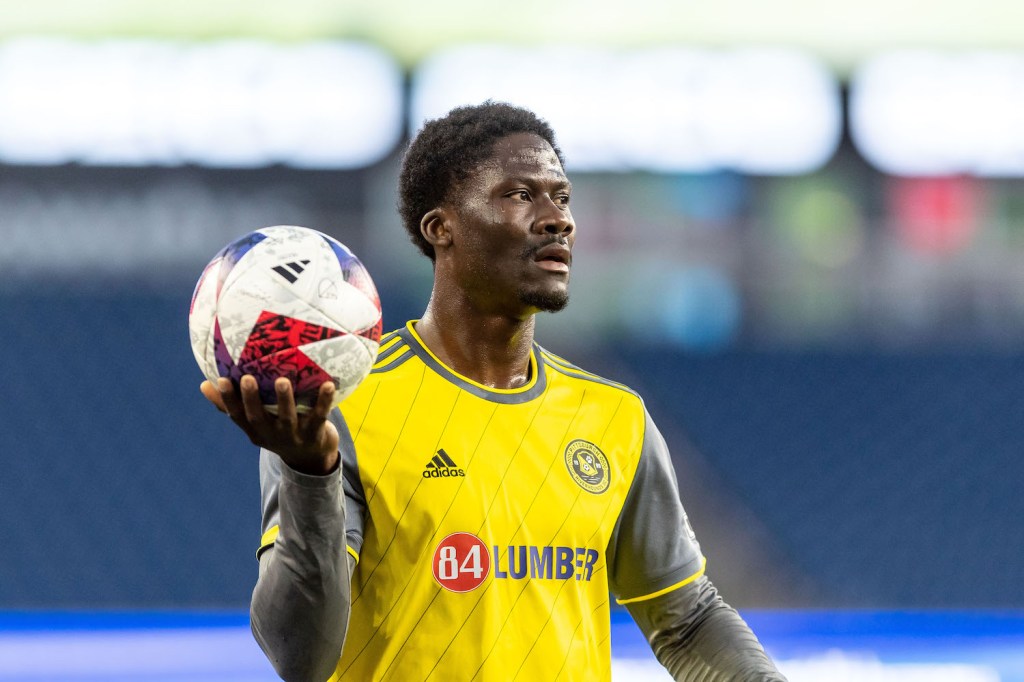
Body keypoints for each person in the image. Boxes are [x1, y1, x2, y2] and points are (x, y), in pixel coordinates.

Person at [201, 101, 787, 681]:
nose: (557, 218)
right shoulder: (346, 406)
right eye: (520, 194)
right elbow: (300, 657)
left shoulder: (614, 418)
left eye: (561, 197)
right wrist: (309, 471)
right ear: (441, 227)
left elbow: (687, 620)